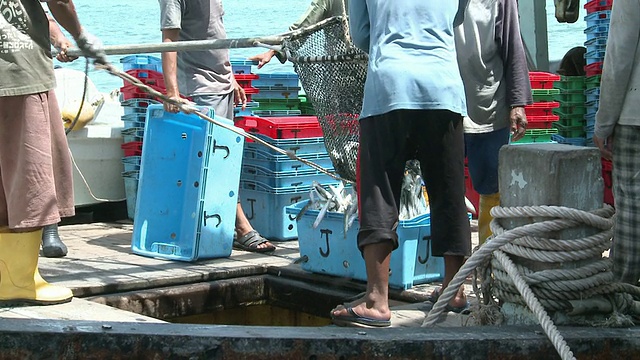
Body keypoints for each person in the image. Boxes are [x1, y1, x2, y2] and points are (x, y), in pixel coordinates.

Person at [330, 0, 471, 327]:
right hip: (443, 85)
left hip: (390, 85)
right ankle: (455, 290)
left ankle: (377, 301)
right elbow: (455, 21)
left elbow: (362, 36)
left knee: (379, 191)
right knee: (448, 192)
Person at [0, 0, 106, 305]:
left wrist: (60, 38)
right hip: (19, 72)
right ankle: (19, 281)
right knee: (33, 179)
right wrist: (82, 36)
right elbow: (58, 2)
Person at [159, 0, 276, 253]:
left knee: (227, 159)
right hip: (200, 87)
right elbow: (168, 40)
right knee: (215, 163)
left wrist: (231, 77)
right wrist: (171, 91)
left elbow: (216, 34)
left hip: (221, 84)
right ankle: (242, 227)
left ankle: (223, 226)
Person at [455, 0, 532, 248]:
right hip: (444, 105)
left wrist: (517, 103)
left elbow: (513, 46)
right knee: (446, 187)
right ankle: (453, 267)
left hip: (487, 103)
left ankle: (488, 256)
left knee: (491, 186)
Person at [593, 0, 640, 286]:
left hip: (635, 117)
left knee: (633, 209)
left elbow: (619, 55)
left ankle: (623, 292)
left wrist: (603, 123)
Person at [39, 12, 79, 259]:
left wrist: (63, 42)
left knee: (46, 150)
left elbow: (46, 15)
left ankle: (49, 228)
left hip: (32, 76)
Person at [248, 0, 349, 69]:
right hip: (355, 63)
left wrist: (272, 52)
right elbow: (302, 28)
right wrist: (272, 51)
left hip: (340, 66)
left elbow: (302, 28)